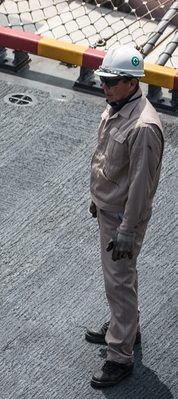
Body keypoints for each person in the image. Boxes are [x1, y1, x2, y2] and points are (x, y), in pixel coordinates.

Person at [85, 45, 163, 389]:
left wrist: (127, 231)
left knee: (117, 283)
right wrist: (97, 199)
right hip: (110, 209)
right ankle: (127, 328)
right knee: (120, 280)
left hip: (122, 219)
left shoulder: (143, 127)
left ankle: (120, 355)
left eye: (111, 81)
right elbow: (109, 162)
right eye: (103, 79)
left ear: (131, 83)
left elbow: (140, 186)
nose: (104, 86)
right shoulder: (119, 106)